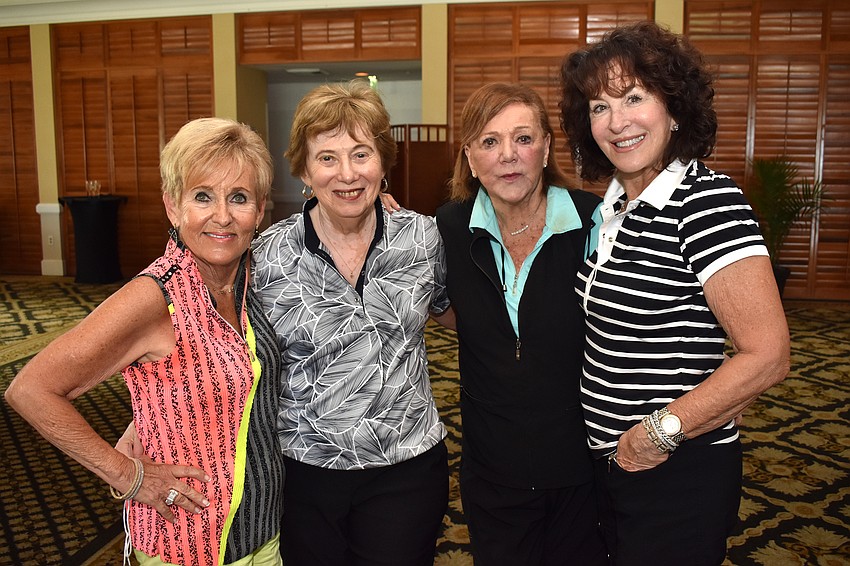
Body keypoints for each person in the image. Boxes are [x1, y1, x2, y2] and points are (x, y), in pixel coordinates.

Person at [559, 21, 791, 565]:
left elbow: (768, 355)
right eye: (598, 106)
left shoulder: (705, 202)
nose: (617, 123)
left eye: (633, 98)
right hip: (609, 465)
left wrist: (660, 433)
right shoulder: (613, 208)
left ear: (675, 107)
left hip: (675, 471)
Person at [5, 117, 285, 565]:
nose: (222, 215)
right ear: (173, 207)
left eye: (239, 198)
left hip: (263, 532)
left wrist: (149, 418)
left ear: (261, 208)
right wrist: (131, 476)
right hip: (187, 544)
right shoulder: (156, 295)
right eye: (202, 196)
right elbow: (31, 390)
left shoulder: (252, 281)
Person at [251, 80, 453, 566]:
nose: (347, 173)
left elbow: (457, 316)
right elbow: (216, 349)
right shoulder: (265, 256)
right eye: (327, 157)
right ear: (301, 167)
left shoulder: (423, 238)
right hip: (304, 473)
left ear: (383, 163)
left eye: (362, 154)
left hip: (405, 469)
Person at [433, 82, 607, 565]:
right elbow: (446, 310)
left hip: (585, 464)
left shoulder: (596, 223)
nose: (508, 155)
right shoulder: (445, 229)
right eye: (489, 142)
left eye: (523, 138)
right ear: (470, 157)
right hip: (493, 469)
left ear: (546, 148)